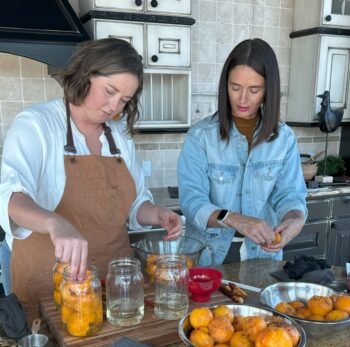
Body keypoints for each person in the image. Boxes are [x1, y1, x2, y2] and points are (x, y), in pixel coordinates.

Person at [0, 38, 182, 304]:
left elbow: (135, 205)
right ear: (86, 73)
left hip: (113, 283)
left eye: (124, 100)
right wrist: (55, 223)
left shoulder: (119, 136)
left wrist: (158, 214)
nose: (114, 107)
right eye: (109, 91)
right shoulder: (37, 124)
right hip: (51, 283)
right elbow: (9, 198)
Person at [177, 38, 307, 267]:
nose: (242, 99)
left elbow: (290, 195)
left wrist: (295, 219)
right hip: (207, 258)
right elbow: (192, 203)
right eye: (235, 87)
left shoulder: (284, 138)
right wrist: (235, 220)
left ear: (269, 90)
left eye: (254, 90)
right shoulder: (200, 137)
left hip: (262, 259)